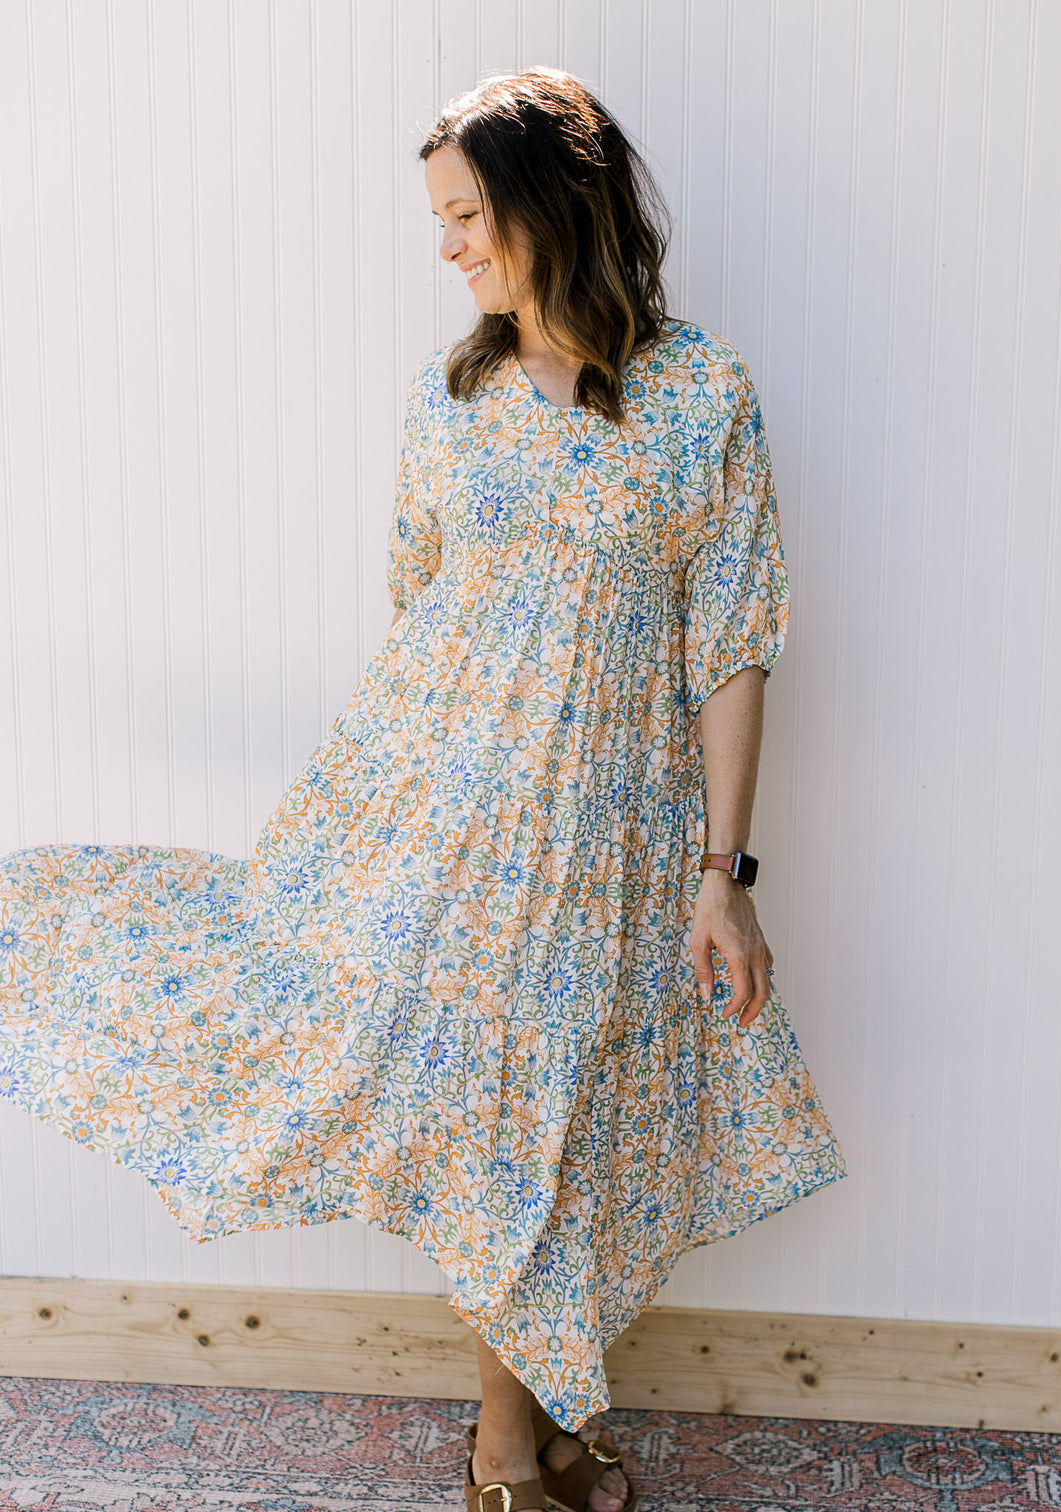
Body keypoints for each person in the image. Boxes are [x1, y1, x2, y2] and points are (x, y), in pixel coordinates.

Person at [0, 66, 846, 1512]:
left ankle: (530, 1433)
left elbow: (736, 645)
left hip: (615, 836)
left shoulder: (699, 394)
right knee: (474, 1108)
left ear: (547, 203)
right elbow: (423, 620)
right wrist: (391, 825)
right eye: (439, 219)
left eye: (464, 214)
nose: (446, 245)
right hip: (445, 816)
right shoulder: (450, 400)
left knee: (563, 1126)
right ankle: (513, 1453)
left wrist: (726, 876)